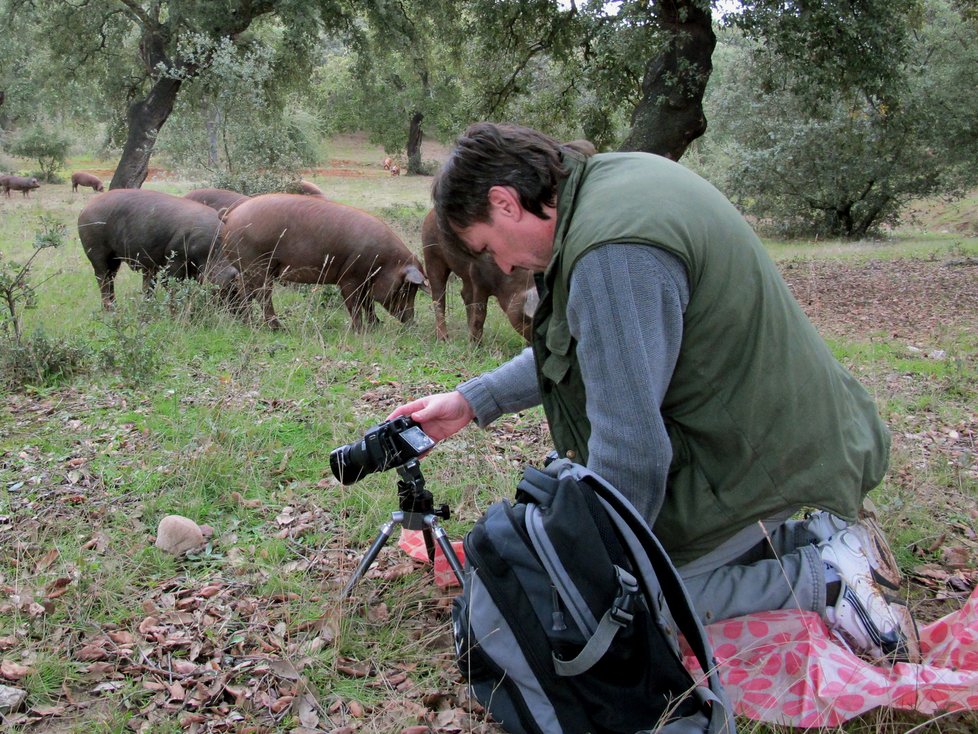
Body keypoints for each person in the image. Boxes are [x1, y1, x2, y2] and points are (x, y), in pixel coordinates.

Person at [387, 122, 920, 664]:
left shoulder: (611, 254)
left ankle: (825, 581)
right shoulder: (614, 182)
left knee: (626, 605)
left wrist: (605, 580)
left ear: (504, 204)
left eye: (487, 248)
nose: (501, 266)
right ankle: (823, 542)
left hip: (759, 457)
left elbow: (634, 457)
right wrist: (473, 400)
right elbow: (588, 342)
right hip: (783, 433)